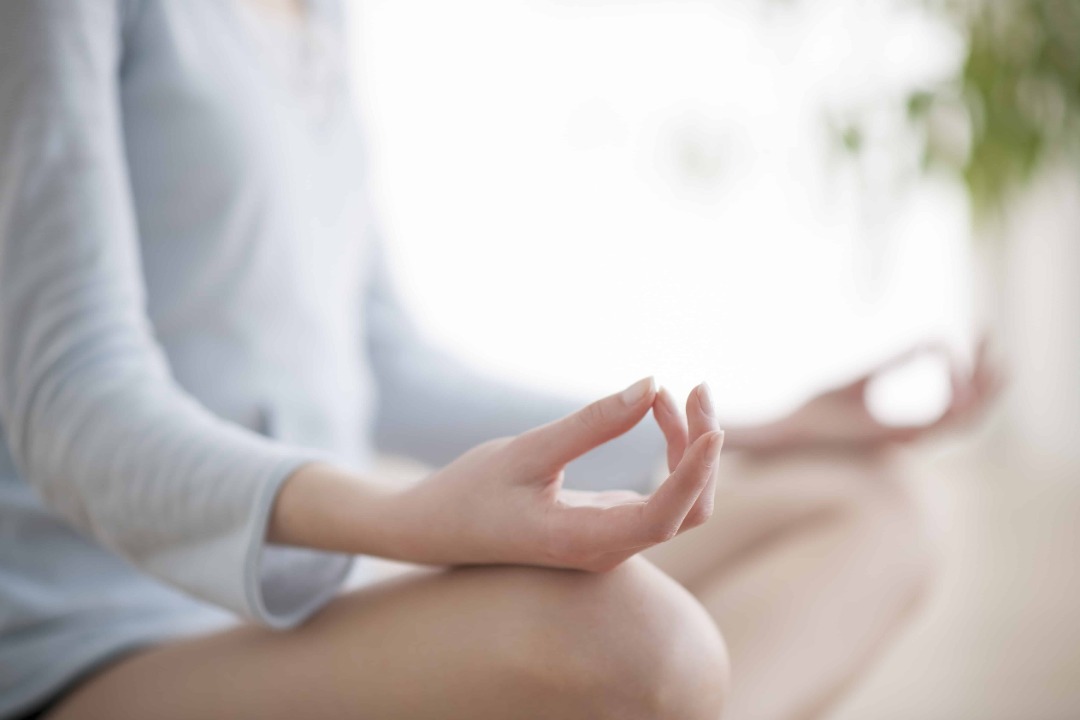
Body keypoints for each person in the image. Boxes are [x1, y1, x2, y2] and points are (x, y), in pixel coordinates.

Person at [0, 2, 999, 719]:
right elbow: (70, 401)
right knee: (643, 645)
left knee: (874, 503)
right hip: (100, 643)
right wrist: (400, 519)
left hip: (293, 625)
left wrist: (755, 431)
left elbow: (380, 362)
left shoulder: (323, 22)